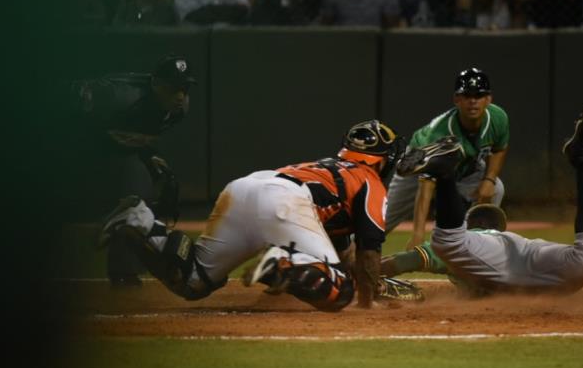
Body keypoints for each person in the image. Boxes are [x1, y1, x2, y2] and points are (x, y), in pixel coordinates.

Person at [98, 120, 405, 310]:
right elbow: (369, 251)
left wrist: (374, 281)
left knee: (193, 281)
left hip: (244, 188)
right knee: (340, 292)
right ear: (383, 160)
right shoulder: (370, 181)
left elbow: (342, 253)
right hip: (285, 202)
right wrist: (368, 301)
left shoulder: (330, 171)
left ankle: (139, 219)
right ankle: (281, 261)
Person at [387, 108, 583, 296]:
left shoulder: (477, 241)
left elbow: (407, 260)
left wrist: (368, 274)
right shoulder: (508, 240)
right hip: (532, 259)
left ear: (473, 225)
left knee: (448, 243)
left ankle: (445, 173)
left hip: (505, 263)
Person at [72, 55, 197, 286]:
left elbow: (137, 131)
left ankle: (125, 271)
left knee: (139, 199)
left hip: (116, 150)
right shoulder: (116, 96)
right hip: (76, 147)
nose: (180, 95)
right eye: (173, 88)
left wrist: (148, 155)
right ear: (156, 85)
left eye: (185, 88)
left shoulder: (178, 110)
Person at [384, 68, 509, 250]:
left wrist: (489, 178)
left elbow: (499, 149)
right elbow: (426, 185)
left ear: (489, 99)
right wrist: (418, 234)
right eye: (467, 95)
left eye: (479, 95)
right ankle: (345, 255)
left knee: (496, 188)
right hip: (416, 167)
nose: (473, 101)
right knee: (382, 222)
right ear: (456, 99)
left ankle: (476, 248)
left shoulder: (498, 118)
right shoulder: (440, 134)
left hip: (466, 168)